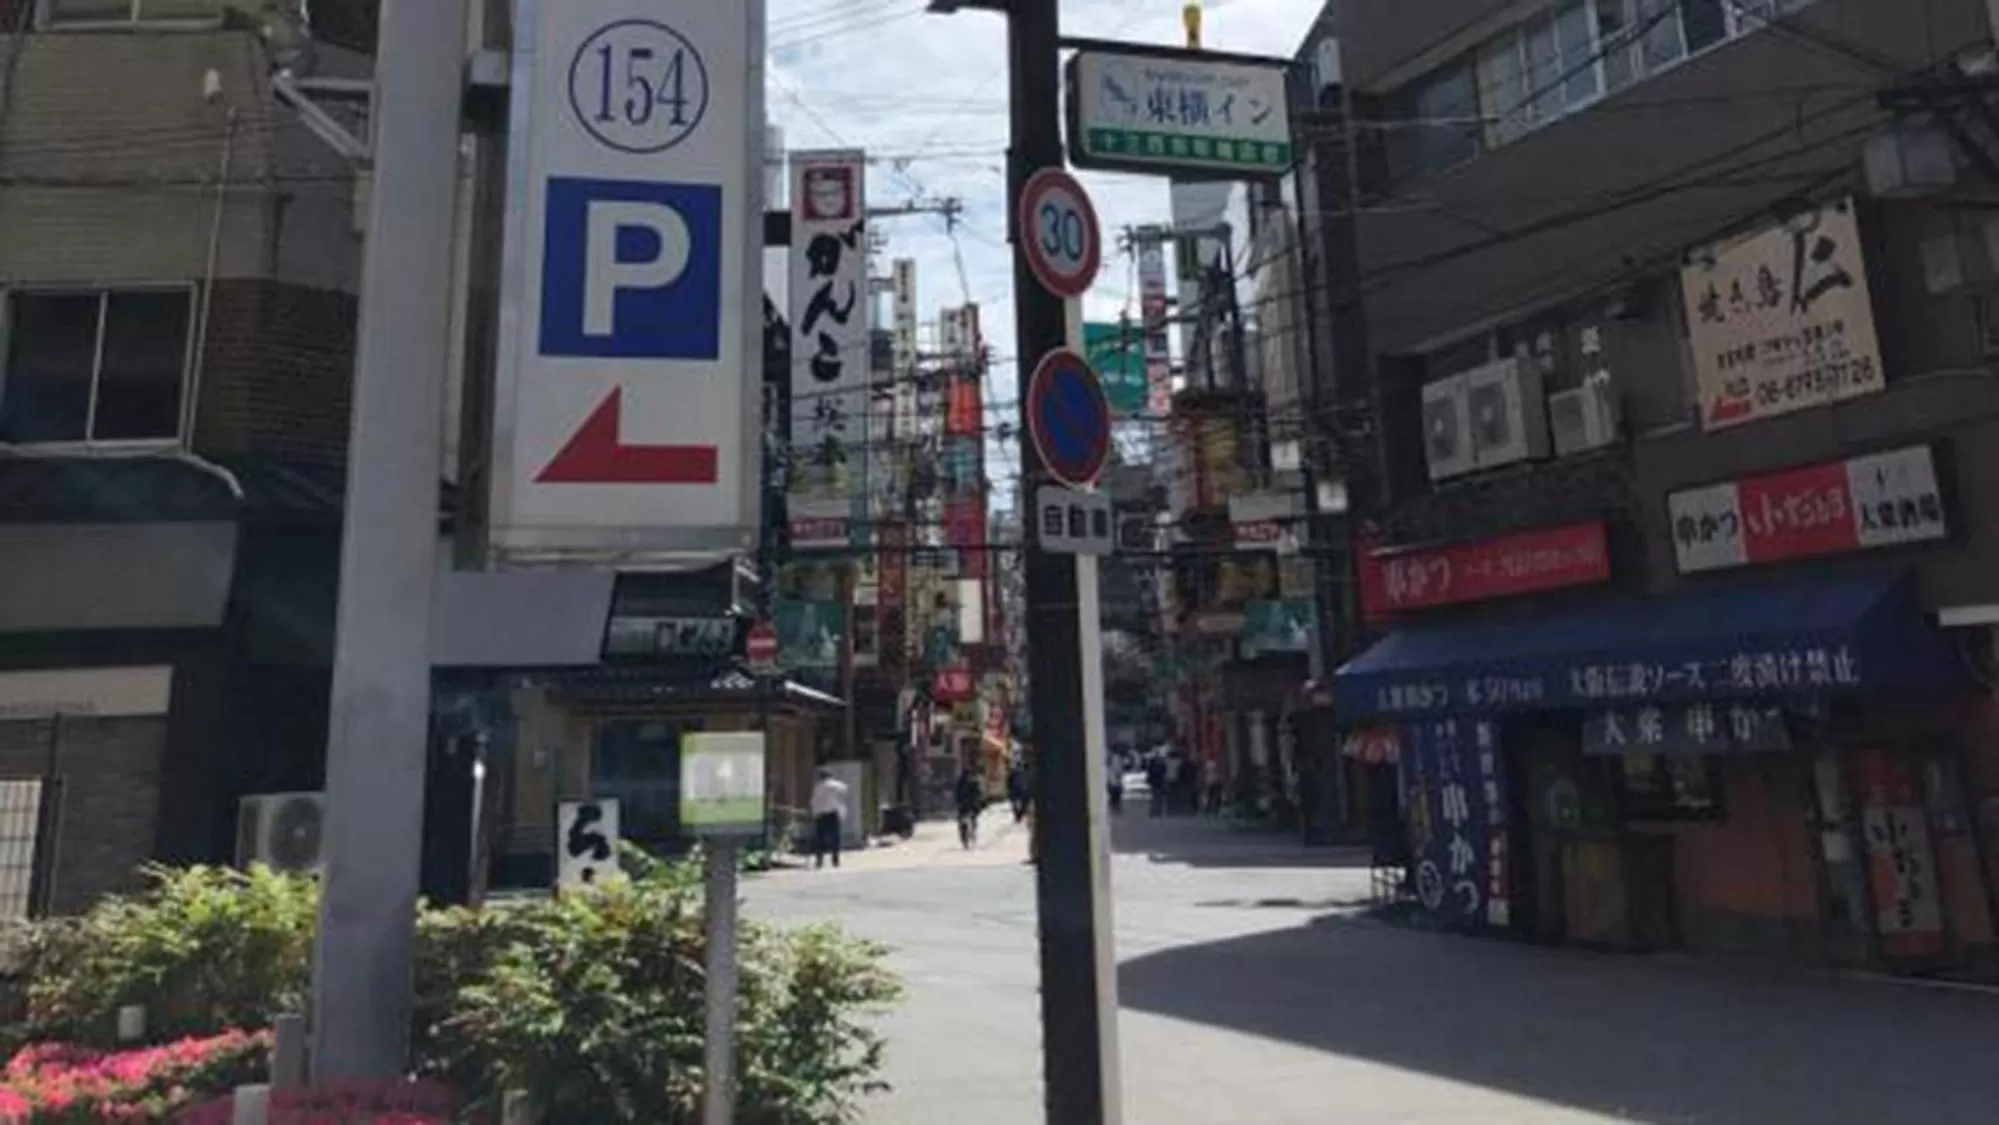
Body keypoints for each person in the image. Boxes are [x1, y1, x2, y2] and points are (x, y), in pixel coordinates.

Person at [809, 767, 849, 870]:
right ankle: (835, 859)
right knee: (835, 837)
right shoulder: (835, 785)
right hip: (832, 813)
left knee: (820, 838)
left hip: (820, 814)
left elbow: (814, 801)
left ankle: (819, 861)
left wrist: (813, 812)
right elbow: (845, 789)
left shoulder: (818, 787)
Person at [954, 765, 985, 850]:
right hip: (972, 805)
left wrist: (958, 803)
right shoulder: (974, 782)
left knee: (963, 823)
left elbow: (956, 795)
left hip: (963, 806)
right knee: (972, 820)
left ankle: (965, 840)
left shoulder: (959, 783)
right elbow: (978, 794)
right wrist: (979, 803)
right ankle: (972, 834)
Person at [1007, 758, 1031, 823]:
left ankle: (1018, 815)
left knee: (1016, 803)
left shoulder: (1014, 772)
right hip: (1022, 789)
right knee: (1023, 803)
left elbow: (1009, 781)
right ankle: (1019, 815)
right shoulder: (1026, 772)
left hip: (1016, 789)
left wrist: (1009, 789)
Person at [1145, 753, 1168, 818]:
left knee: (1156, 797)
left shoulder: (1153, 765)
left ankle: (1155, 811)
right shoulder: (1160, 765)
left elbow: (1149, 773)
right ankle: (1156, 811)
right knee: (1157, 797)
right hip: (1157, 782)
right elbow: (1164, 772)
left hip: (1156, 783)